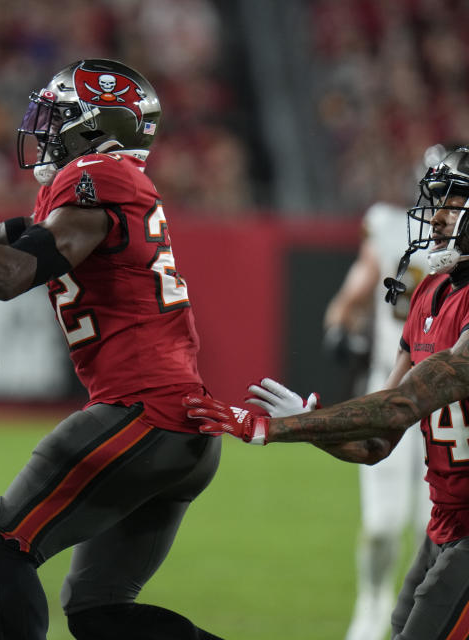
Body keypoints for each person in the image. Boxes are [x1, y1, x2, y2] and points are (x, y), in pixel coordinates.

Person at [0, 58, 223, 640]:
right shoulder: (101, 188)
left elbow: (7, 276)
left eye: (58, 119)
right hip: (177, 424)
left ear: (95, 127)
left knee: (1, 547)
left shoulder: (98, 178)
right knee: (99, 611)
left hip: (143, 412)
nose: (44, 131)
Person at [184, 147, 469, 640]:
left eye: (454, 202)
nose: (437, 216)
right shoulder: (429, 293)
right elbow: (378, 441)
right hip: (444, 527)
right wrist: (309, 425)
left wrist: (280, 427)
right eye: (437, 200)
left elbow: (403, 405)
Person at [324, 188, 433, 640]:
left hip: (448, 406)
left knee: (433, 528)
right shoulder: (394, 230)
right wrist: (340, 331)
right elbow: (348, 301)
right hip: (389, 394)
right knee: (384, 524)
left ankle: (418, 619)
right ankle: (371, 604)